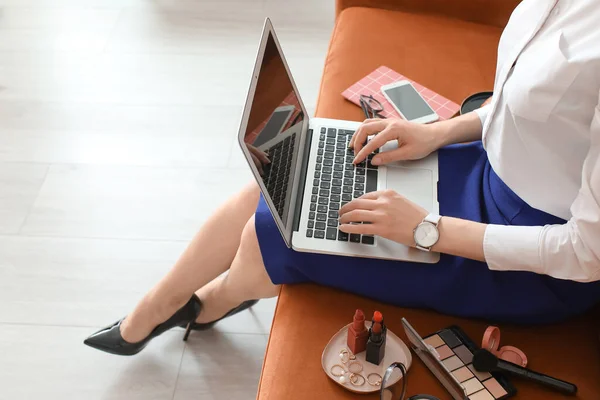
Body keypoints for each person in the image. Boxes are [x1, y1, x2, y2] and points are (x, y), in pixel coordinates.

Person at [84, 0, 600, 356]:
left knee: (273, 226)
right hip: (482, 163)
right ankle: (161, 305)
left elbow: (586, 252)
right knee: (288, 175)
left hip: (521, 256)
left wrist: (425, 229)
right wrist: (440, 133)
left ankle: (208, 303)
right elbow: (516, 100)